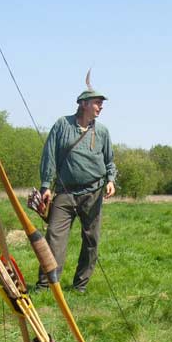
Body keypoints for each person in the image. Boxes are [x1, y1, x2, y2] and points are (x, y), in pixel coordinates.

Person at [35, 82, 117, 293]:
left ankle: (80, 285)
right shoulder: (62, 125)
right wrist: (46, 185)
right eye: (97, 103)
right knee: (54, 237)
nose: (101, 107)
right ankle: (46, 284)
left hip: (94, 192)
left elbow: (109, 161)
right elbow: (49, 155)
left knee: (91, 240)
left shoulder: (103, 132)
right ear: (83, 103)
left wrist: (110, 180)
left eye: (101, 103)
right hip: (65, 192)